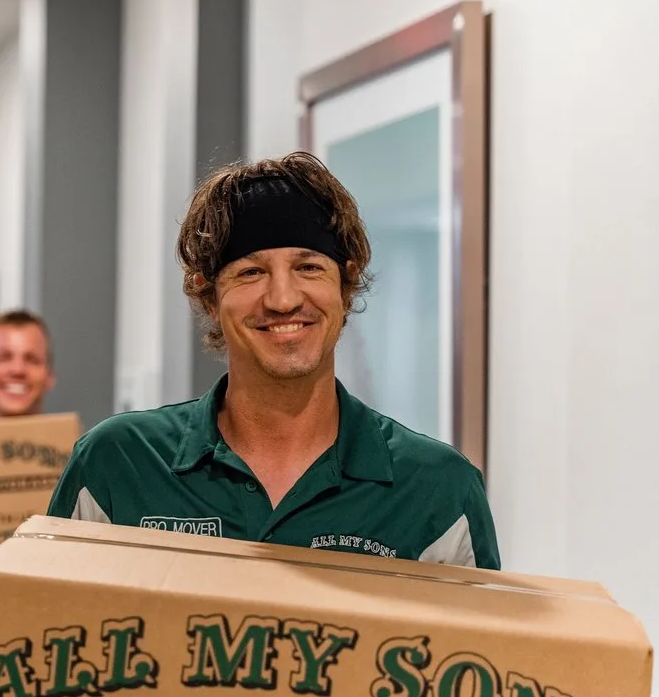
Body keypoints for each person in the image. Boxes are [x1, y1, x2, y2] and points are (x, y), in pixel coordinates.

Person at [48, 151, 500, 569]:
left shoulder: (438, 490)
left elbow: (478, 654)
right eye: (250, 272)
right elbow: (47, 639)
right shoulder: (117, 465)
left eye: (308, 267)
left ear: (344, 287)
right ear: (209, 297)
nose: (283, 299)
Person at [0, 309, 55, 419]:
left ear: (49, 376)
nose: (18, 370)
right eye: (4, 358)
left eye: (32, 360)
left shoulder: (72, 436)